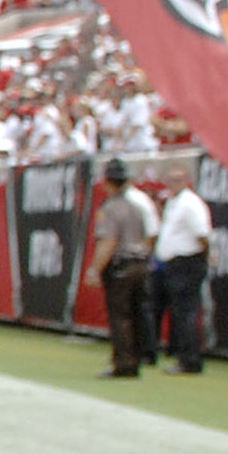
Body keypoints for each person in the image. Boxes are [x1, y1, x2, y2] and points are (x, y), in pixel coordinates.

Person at [85, 157, 156, 378]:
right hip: (141, 262)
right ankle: (137, 358)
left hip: (121, 265)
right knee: (137, 314)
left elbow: (109, 241)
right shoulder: (139, 204)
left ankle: (124, 362)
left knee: (120, 316)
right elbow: (151, 234)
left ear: (108, 182)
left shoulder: (112, 207)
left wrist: (95, 268)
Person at [153, 162, 211, 374]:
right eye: (170, 180)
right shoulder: (173, 202)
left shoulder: (190, 203)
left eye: (177, 180)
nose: (172, 184)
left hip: (187, 262)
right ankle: (182, 354)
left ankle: (190, 359)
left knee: (186, 312)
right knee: (179, 312)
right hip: (174, 263)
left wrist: (203, 257)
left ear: (187, 181)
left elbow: (202, 235)